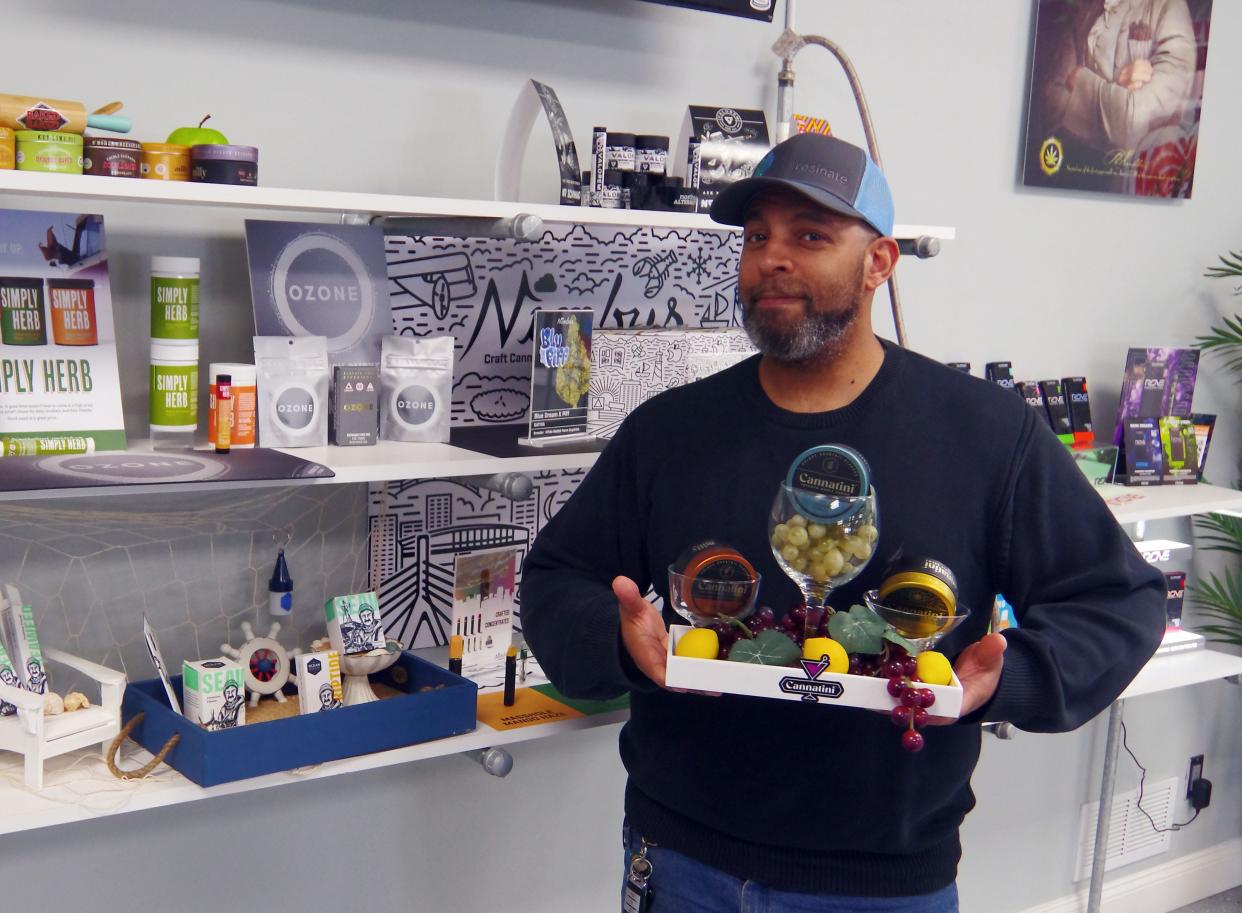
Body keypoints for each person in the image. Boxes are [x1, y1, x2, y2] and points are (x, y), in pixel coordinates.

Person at [520, 132, 1166, 912]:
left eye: (810, 235)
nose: (772, 258)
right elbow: (557, 577)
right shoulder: (671, 432)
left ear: (880, 262)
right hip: (682, 859)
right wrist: (614, 637)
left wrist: (1016, 674)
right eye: (757, 235)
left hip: (881, 885)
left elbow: (1120, 600)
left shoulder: (985, 435)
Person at [1037, 0, 1196, 153]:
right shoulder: (1083, 12)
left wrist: (1079, 80)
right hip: (1072, 163)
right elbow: (1051, 104)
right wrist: (1118, 97)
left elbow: (1133, 123)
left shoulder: (1171, 8)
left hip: (1134, 172)